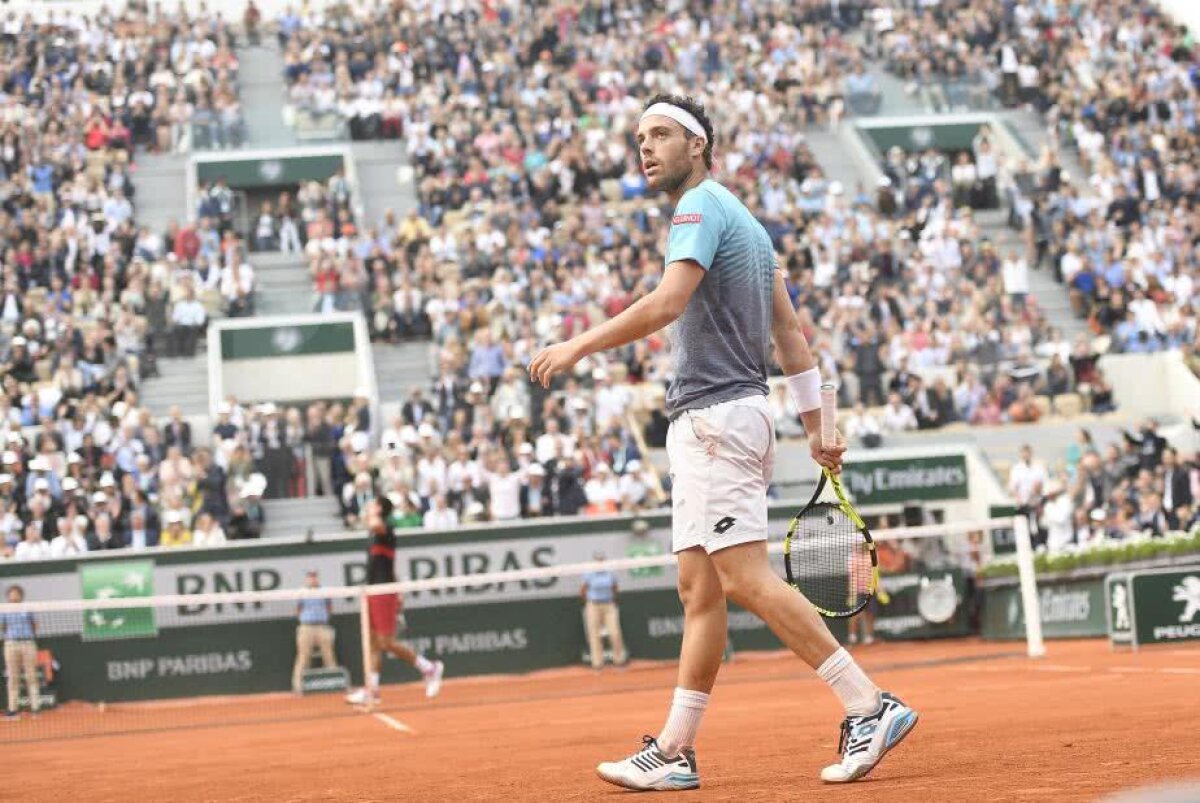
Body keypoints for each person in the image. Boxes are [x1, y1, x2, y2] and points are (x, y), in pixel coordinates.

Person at [529, 94, 917, 791]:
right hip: (724, 418)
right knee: (699, 587)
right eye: (639, 137)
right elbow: (789, 333)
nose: (645, 148)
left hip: (715, 420)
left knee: (742, 577)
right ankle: (676, 749)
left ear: (698, 145)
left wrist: (579, 343)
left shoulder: (699, 208)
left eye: (661, 135)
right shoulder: (748, 223)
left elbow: (668, 302)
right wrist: (815, 425)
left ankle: (868, 702)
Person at [345, 495, 444, 706]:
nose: (368, 506)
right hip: (372, 591)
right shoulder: (372, 534)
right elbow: (388, 565)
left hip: (384, 592)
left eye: (372, 503)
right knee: (372, 643)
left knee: (385, 642)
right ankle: (372, 690)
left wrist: (370, 515)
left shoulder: (385, 529)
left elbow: (376, 524)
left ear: (380, 508)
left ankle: (429, 668)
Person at [292, 571, 338, 694]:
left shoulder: (324, 591)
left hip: (322, 626)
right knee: (303, 657)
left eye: (314, 577)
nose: (312, 579)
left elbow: (329, 608)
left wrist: (323, 618)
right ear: (307, 579)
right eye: (310, 577)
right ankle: (298, 686)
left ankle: (335, 683)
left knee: (329, 655)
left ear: (317, 578)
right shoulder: (302, 593)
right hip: (306, 627)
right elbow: (297, 610)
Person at [581, 552, 628, 670]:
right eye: (597, 560)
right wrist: (590, 602)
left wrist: (611, 600)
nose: (599, 562)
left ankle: (619, 661)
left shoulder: (610, 573)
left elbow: (615, 588)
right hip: (593, 605)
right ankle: (597, 664)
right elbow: (583, 590)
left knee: (615, 633)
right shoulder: (589, 574)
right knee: (594, 634)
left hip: (609, 605)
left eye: (601, 560)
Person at [2, 585, 40, 719]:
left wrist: (28, 637)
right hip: (11, 644)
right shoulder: (4, 609)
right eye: (11, 593)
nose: (14, 595)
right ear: (8, 596)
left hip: (28, 644)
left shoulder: (27, 608)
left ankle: (35, 709)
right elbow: (2, 627)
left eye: (16, 593)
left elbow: (35, 625)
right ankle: (12, 710)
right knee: (13, 677)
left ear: (21, 595)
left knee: (31, 676)